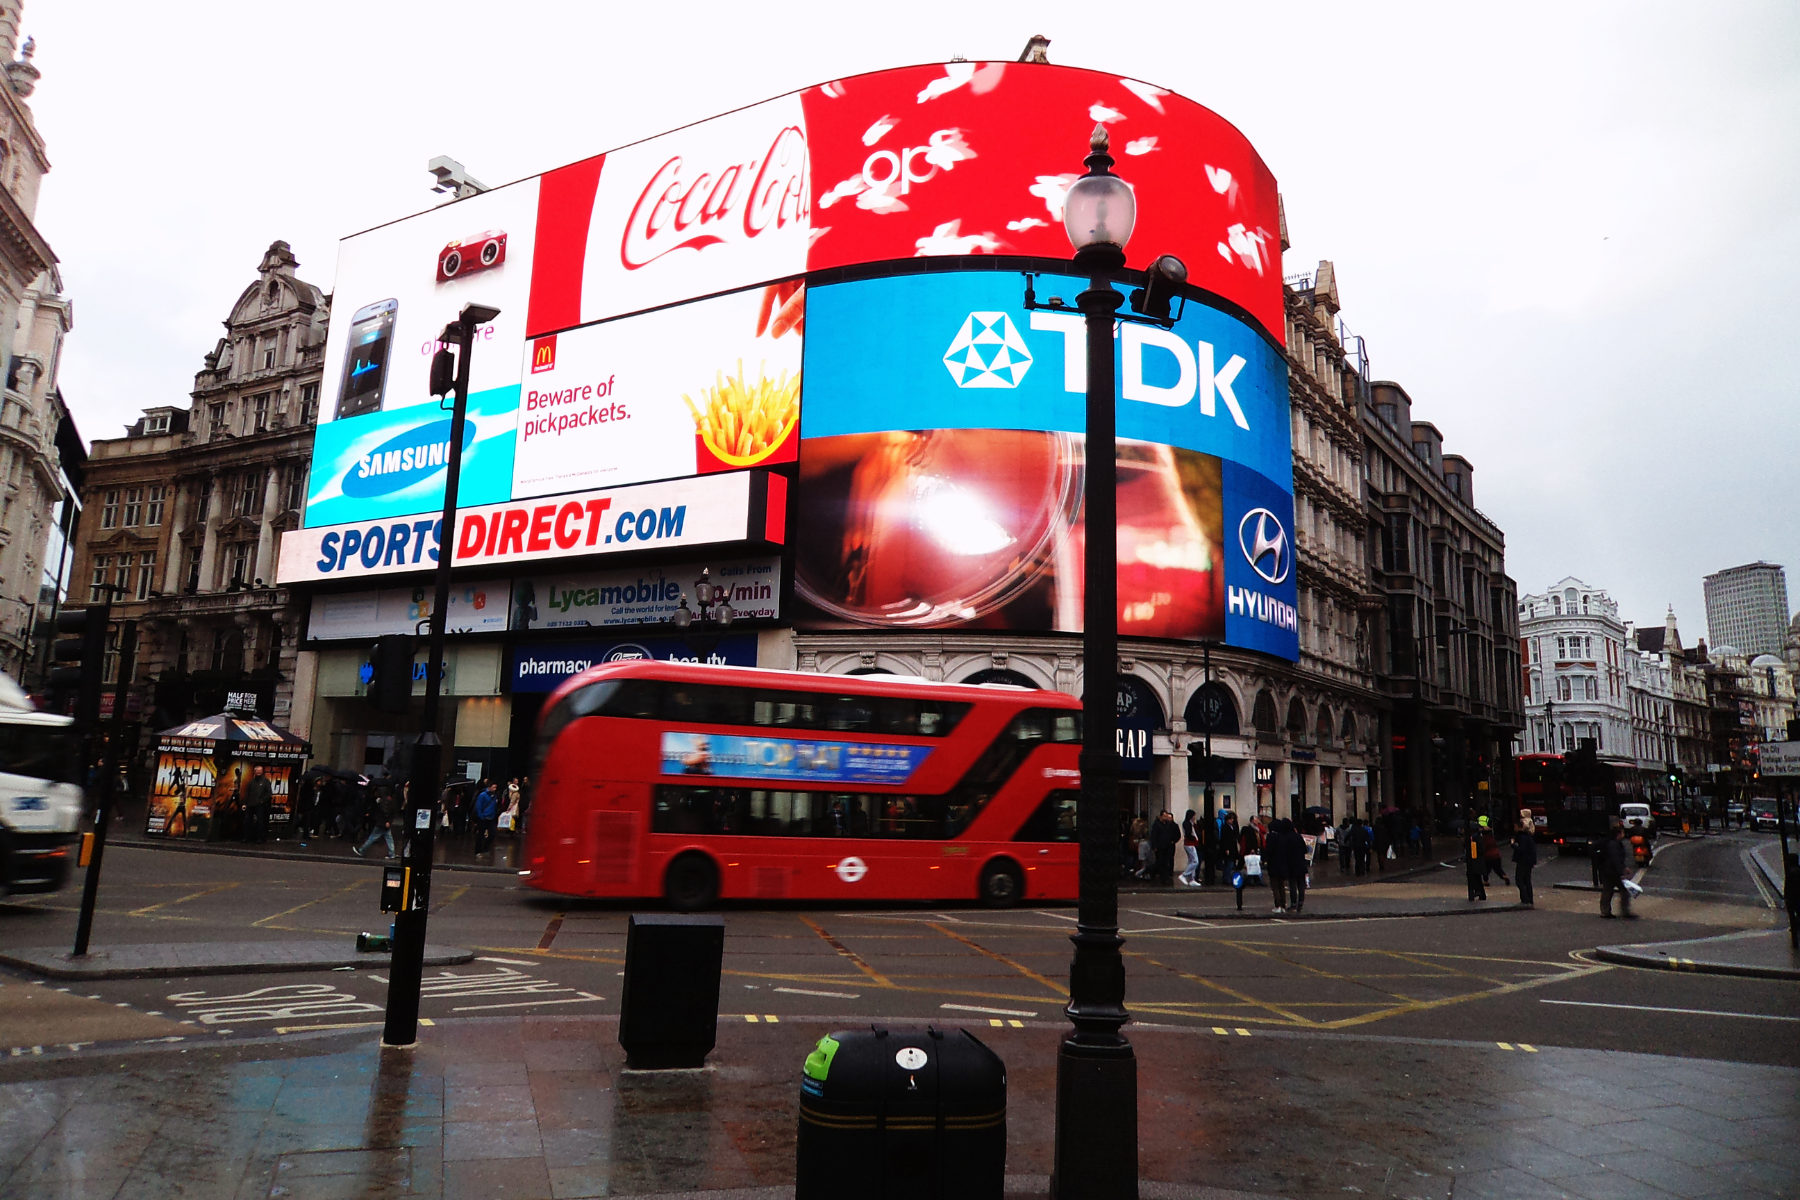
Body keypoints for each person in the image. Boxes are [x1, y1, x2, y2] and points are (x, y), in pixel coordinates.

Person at [1596, 825, 1636, 919]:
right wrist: (1621, 872)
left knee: (1607, 891)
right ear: (1618, 834)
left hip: (1608, 871)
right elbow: (1615, 859)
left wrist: (1624, 868)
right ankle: (1624, 911)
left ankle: (1605, 911)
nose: (1624, 834)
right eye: (1622, 832)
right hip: (1612, 872)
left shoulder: (1613, 843)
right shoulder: (1614, 844)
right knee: (1623, 891)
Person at [354, 785, 400, 858]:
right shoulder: (389, 800)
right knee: (389, 838)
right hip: (385, 822)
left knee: (373, 837)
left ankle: (362, 850)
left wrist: (386, 821)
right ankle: (392, 854)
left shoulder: (383, 801)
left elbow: (384, 812)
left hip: (381, 822)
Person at [243, 765, 273, 845]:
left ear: (262, 771)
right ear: (254, 772)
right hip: (250, 804)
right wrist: (245, 803)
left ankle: (260, 838)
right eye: (257, 770)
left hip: (260, 805)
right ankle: (246, 837)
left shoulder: (265, 781)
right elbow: (247, 793)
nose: (258, 772)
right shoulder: (251, 782)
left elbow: (269, 794)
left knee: (260, 822)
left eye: (260, 770)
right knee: (247, 821)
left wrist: (262, 801)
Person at [1511, 821, 1538, 907]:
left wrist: (1513, 845)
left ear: (1519, 827)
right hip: (1528, 860)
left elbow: (1521, 849)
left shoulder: (1522, 837)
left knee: (1520, 879)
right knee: (1526, 880)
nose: (1514, 829)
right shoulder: (1526, 836)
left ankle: (1525, 899)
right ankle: (1529, 899)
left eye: (1515, 827)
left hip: (1524, 861)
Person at [1478, 816, 1511, 887]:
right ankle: (1504, 876)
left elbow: (1484, 847)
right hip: (1496, 855)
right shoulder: (1492, 839)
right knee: (1498, 869)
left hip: (1488, 857)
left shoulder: (1484, 839)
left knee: (1485, 870)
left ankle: (1486, 881)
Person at [1150, 810, 1180, 886]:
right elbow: (1154, 836)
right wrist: (1154, 846)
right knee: (1160, 862)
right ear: (1161, 816)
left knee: (1165, 862)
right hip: (1160, 846)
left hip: (1167, 846)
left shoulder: (1167, 824)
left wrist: (1171, 841)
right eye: (1165, 816)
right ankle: (1152, 871)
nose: (1166, 818)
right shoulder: (1156, 824)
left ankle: (1165, 878)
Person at [472, 780, 500, 855]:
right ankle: (478, 850)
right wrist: (481, 816)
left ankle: (485, 847)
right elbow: (479, 806)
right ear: (489, 787)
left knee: (493, 834)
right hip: (484, 817)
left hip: (492, 817)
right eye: (493, 787)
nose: (495, 789)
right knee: (480, 835)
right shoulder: (482, 795)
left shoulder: (495, 795)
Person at [1465, 820, 1488, 901]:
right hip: (1472, 861)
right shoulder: (1470, 838)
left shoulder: (1477, 838)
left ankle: (1480, 893)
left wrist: (1474, 851)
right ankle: (1479, 892)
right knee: (1473, 877)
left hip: (1477, 861)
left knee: (1476, 878)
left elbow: (1482, 849)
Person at [1180, 810, 1200, 886]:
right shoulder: (1187, 824)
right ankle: (1184, 875)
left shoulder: (1190, 824)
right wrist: (1194, 839)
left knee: (1191, 861)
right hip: (1190, 844)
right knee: (1195, 861)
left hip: (1191, 844)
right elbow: (1189, 834)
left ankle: (1192, 879)